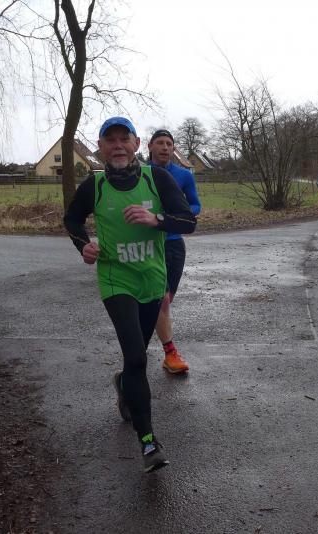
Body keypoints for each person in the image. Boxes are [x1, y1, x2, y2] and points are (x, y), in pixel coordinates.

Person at [63, 117, 197, 473]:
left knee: (136, 359)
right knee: (136, 356)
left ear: (137, 144)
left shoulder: (158, 179)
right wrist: (83, 245)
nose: (118, 145)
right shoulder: (94, 185)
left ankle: (124, 384)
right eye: (111, 140)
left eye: (125, 139)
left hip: (151, 280)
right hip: (115, 280)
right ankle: (149, 442)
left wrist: (156, 219)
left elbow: (188, 221)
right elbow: (72, 220)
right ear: (100, 147)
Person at [147, 129, 201, 374]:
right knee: (160, 299)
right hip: (148, 242)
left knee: (166, 299)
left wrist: (175, 215)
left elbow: (195, 204)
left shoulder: (184, 175)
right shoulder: (140, 174)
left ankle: (159, 348)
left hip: (173, 243)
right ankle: (169, 352)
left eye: (169, 144)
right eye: (160, 143)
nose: (165, 147)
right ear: (149, 146)